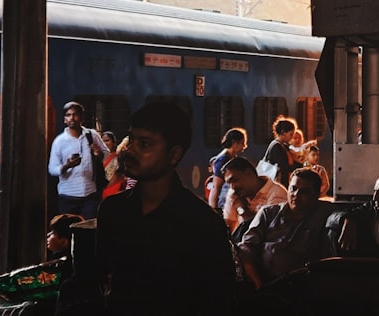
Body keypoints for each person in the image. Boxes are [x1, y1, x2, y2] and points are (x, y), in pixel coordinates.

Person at [96, 102, 235, 315]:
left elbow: (218, 300)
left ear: (174, 155)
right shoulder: (113, 210)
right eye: (131, 140)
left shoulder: (203, 224)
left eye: (144, 144)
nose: (130, 151)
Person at [237, 168, 334, 289]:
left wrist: (347, 219)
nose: (296, 195)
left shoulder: (322, 212)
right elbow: (246, 248)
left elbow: (345, 212)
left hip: (301, 285)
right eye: (293, 188)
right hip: (262, 281)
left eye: (304, 191)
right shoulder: (268, 213)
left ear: (316, 195)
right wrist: (254, 279)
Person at [48, 101, 109, 219]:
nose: (72, 118)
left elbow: (106, 154)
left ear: (81, 117)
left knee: (88, 230)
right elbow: (52, 169)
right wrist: (67, 166)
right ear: (64, 119)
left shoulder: (92, 135)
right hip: (67, 196)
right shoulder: (59, 141)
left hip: (90, 194)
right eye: (68, 115)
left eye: (75, 114)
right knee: (66, 231)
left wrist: (98, 154)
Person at [221, 156, 288, 239]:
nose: (232, 187)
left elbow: (264, 235)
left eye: (235, 180)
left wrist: (241, 209)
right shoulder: (234, 193)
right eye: (229, 183)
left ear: (249, 173)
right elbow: (228, 226)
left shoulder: (277, 195)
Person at [207, 127, 247, 211]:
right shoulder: (223, 160)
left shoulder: (231, 157)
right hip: (223, 203)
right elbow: (216, 187)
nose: (244, 146)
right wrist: (213, 209)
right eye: (242, 143)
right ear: (234, 143)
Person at [262, 118, 298, 187]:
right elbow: (284, 166)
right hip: (278, 183)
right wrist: (298, 168)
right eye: (291, 134)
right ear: (283, 133)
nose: (292, 137)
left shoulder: (283, 145)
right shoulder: (276, 146)